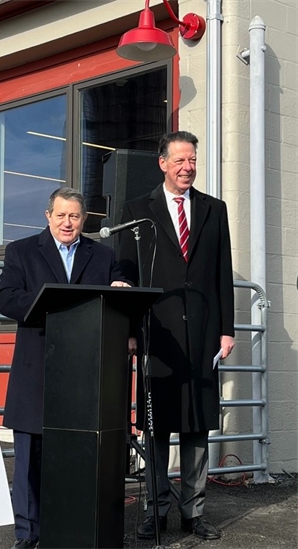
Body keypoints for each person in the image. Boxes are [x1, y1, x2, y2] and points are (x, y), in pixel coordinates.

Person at [0, 186, 130, 549]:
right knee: (28, 459)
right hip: (35, 366)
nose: (67, 222)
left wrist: (122, 286)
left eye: (74, 216)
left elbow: (120, 288)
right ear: (48, 216)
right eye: (61, 215)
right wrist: (52, 303)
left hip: (85, 371)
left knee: (79, 454)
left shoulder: (102, 255)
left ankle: (74, 526)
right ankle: (28, 533)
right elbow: (7, 298)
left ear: (84, 219)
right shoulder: (21, 251)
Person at [118, 131, 235, 541]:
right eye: (180, 160)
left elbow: (222, 272)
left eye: (193, 160)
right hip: (157, 334)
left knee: (197, 427)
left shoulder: (213, 210)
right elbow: (125, 276)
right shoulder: (137, 212)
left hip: (203, 333)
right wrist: (131, 331)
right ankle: (155, 510)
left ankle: (193, 513)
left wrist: (227, 329)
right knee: (156, 427)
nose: (188, 167)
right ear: (163, 164)